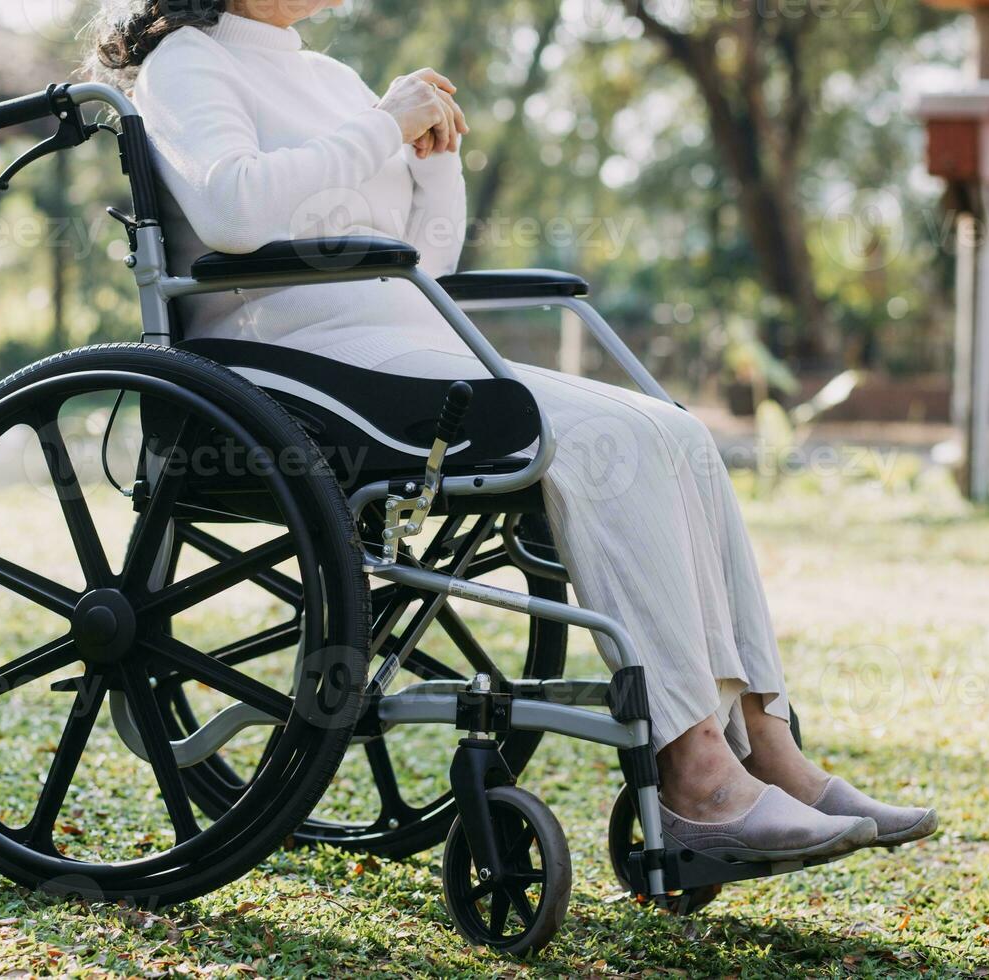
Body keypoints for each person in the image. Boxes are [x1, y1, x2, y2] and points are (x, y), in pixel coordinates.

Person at [93, 0, 936, 862]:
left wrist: (435, 165)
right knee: (609, 444)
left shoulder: (329, 78)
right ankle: (698, 775)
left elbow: (420, 266)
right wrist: (386, 124)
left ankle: (769, 746)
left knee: (674, 433)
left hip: (403, 345)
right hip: (289, 364)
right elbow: (234, 212)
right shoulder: (188, 63)